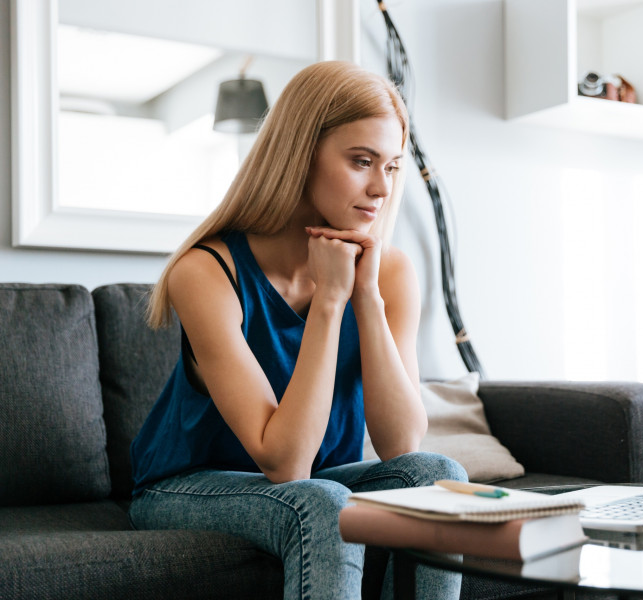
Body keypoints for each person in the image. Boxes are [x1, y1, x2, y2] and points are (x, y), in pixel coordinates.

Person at [129, 60, 467, 600]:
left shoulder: (392, 273)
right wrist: (330, 300)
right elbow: (286, 463)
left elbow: (401, 442)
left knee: (437, 476)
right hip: (187, 485)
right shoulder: (207, 272)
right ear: (300, 155)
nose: (381, 187)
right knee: (323, 502)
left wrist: (365, 294)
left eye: (392, 166)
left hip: (319, 482)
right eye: (361, 161)